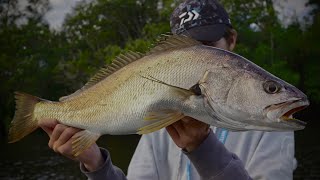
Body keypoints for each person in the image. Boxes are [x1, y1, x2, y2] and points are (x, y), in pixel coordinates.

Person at [39, 0, 297, 179]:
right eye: (190, 50)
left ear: (231, 40)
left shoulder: (270, 124)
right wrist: (96, 164)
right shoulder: (161, 119)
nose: (200, 56)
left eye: (208, 45)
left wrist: (202, 148)